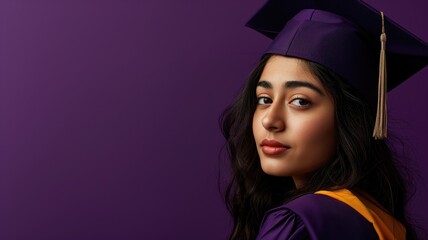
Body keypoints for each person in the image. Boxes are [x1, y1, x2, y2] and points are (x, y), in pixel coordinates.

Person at [220, 0, 428, 239]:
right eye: (264, 99)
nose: (270, 120)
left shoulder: (300, 223)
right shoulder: (376, 219)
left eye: (300, 101)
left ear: (348, 119)